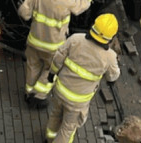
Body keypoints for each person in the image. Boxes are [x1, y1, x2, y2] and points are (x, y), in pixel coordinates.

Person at [18, 0, 98, 109]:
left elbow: (24, 14)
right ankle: (39, 96)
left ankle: (28, 92)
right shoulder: (66, 3)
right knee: (50, 71)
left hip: (33, 43)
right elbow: (83, 4)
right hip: (53, 49)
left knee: (32, 66)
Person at [45, 13, 120, 143]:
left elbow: (58, 58)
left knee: (55, 115)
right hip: (77, 101)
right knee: (67, 129)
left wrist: (52, 74)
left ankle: (49, 138)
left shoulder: (76, 39)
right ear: (111, 37)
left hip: (60, 90)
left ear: (93, 26)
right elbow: (112, 76)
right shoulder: (110, 57)